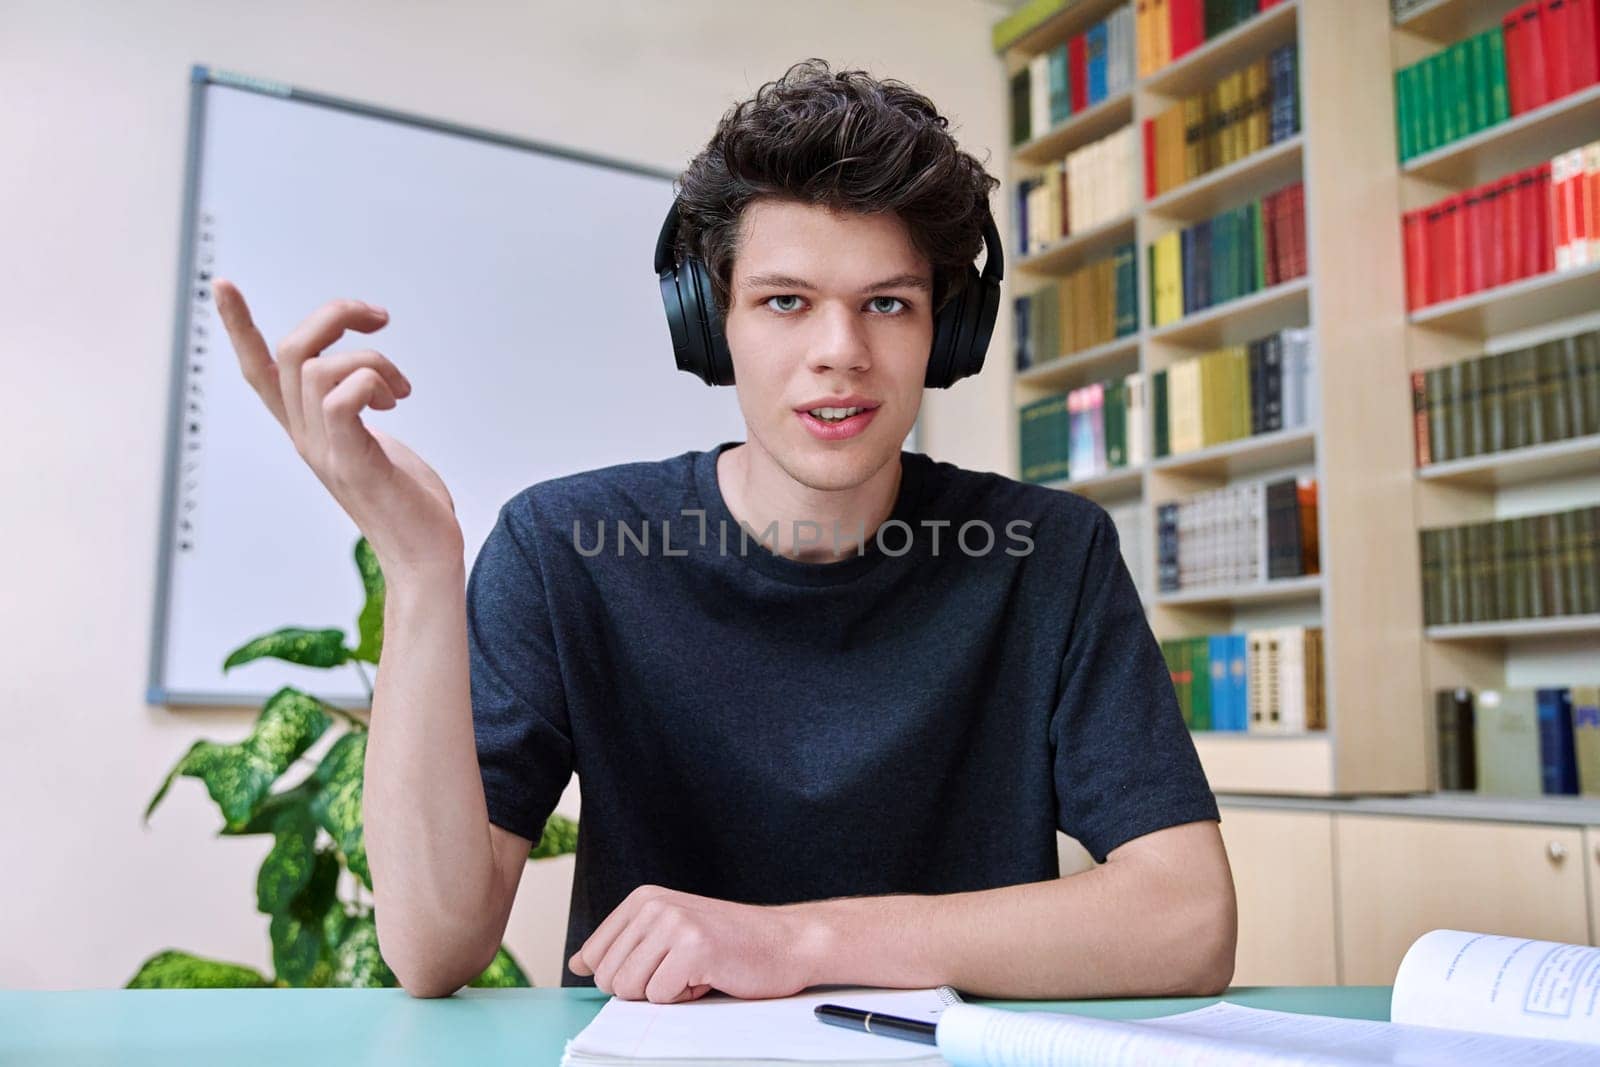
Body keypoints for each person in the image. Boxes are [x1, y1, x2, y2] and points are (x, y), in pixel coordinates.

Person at [213, 58, 1236, 1006]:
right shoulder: (567, 545)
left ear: (945, 333)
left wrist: (793, 943)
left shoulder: (1044, 554)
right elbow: (433, 947)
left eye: (887, 303)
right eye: (784, 301)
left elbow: (1186, 917)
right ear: (712, 325)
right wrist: (418, 564)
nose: (839, 353)